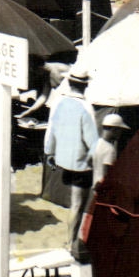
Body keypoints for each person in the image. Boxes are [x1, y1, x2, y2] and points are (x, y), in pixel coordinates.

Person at [44, 67, 99, 247]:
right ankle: (71, 241)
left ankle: (71, 238)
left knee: (74, 204)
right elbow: (91, 141)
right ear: (85, 86)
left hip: (63, 160)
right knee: (78, 205)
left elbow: (51, 130)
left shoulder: (60, 103)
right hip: (81, 163)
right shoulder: (86, 108)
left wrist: (50, 152)